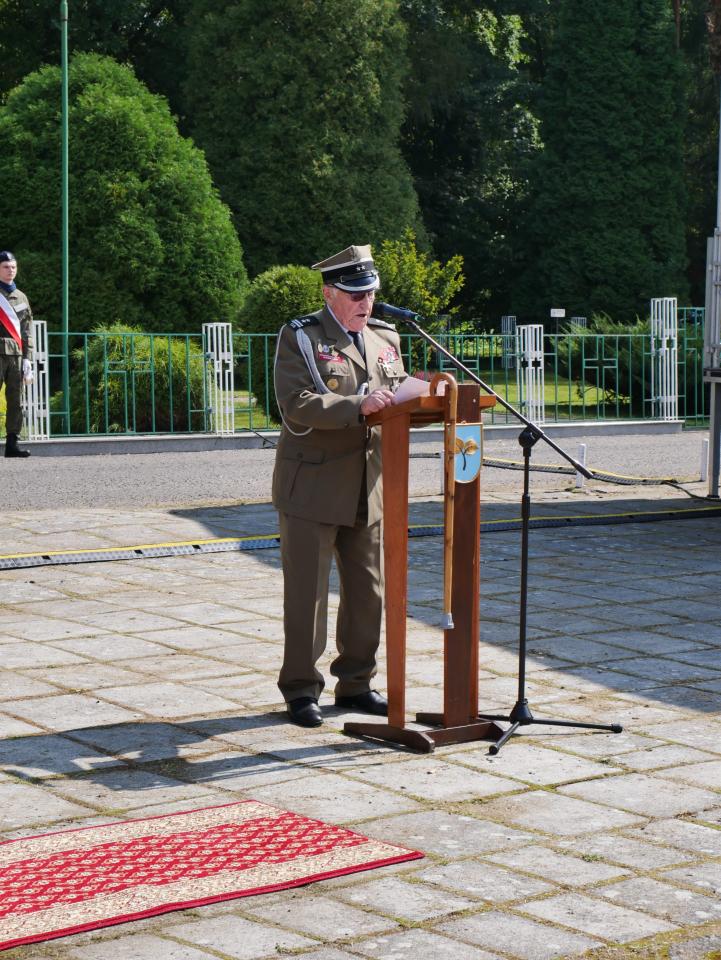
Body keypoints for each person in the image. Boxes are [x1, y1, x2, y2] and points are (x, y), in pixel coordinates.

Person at [272, 244, 407, 727]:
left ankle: (356, 683)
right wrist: (357, 405)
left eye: (369, 293)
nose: (365, 302)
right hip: (313, 482)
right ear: (330, 293)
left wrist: (426, 399)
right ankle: (301, 689)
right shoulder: (302, 337)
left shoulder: (385, 337)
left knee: (368, 591)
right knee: (308, 593)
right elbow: (297, 403)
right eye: (354, 294)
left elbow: (398, 394)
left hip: (368, 484)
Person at [0, 251, 33, 458]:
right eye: (5, 267)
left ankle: (12, 444)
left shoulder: (21, 297)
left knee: (16, 400)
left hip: (16, 356)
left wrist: (28, 357)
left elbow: (26, 329)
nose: (10, 270)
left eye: (13, 267)